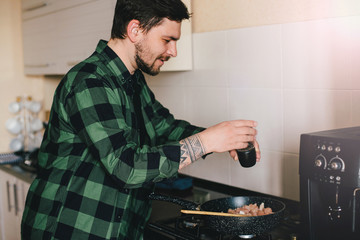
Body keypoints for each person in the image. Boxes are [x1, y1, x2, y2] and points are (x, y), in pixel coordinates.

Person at [21, 0, 260, 239]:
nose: (173, 52)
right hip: (70, 228)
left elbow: (163, 127)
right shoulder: (89, 82)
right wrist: (206, 142)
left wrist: (225, 138)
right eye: (167, 40)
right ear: (135, 30)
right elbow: (124, 166)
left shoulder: (132, 80)